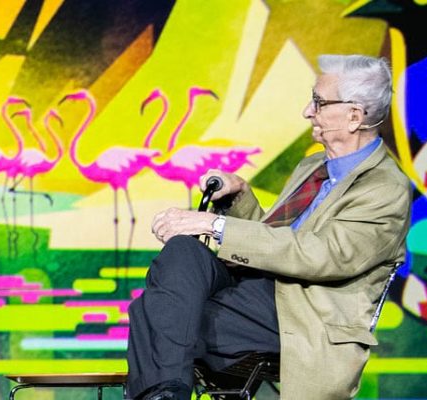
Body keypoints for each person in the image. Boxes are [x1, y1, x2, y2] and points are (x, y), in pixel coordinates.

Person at [126, 54, 411, 400]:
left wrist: (216, 225)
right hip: (256, 294)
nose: (307, 111)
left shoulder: (385, 188)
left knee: (157, 313)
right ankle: (167, 394)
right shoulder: (313, 166)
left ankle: (163, 392)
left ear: (354, 116)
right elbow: (275, 240)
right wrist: (239, 197)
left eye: (319, 102)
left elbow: (320, 255)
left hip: (302, 316)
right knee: (184, 251)